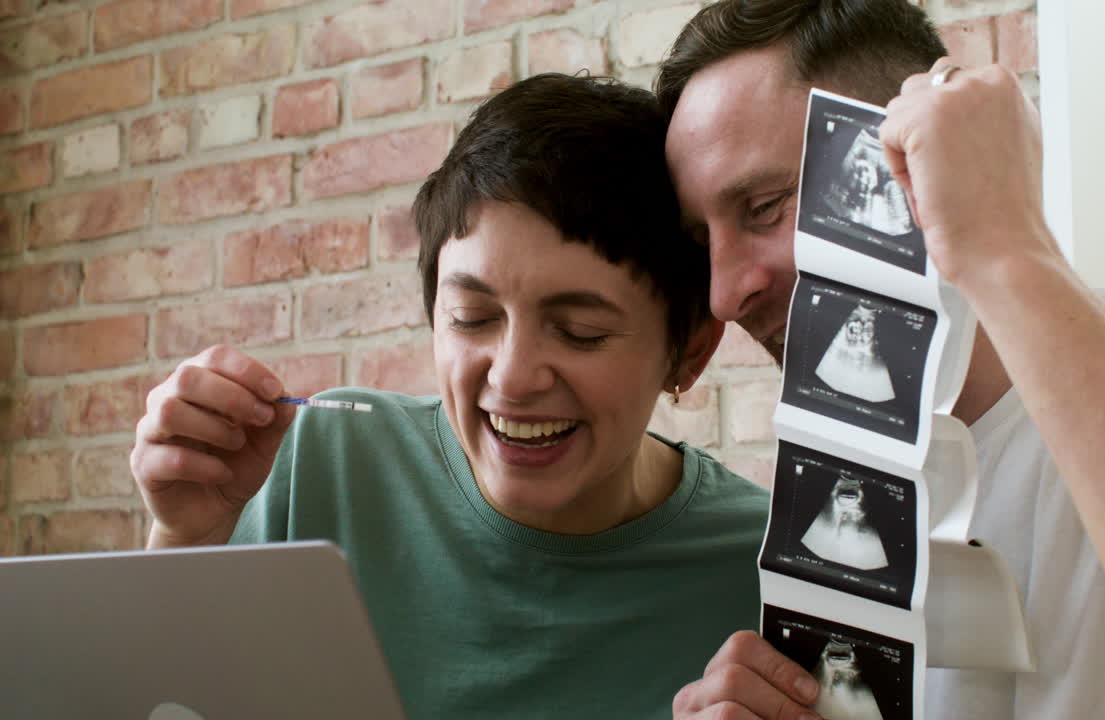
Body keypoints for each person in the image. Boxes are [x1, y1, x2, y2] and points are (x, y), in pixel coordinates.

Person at [655, 1, 1105, 719]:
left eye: (764, 207)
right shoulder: (834, 525)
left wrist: (1004, 246)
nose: (726, 293)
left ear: (914, 154)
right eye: (703, 241)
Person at [129, 73, 771, 719]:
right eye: (471, 317)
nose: (513, 378)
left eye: (581, 332)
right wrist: (186, 539)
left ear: (688, 350)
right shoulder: (332, 459)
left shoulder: (769, 568)